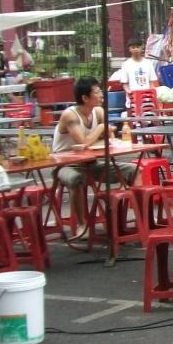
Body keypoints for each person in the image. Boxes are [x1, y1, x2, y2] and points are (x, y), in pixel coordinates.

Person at [52, 76, 137, 239]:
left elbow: (108, 137)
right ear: (85, 98)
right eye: (97, 92)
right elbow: (83, 142)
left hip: (91, 163)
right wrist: (101, 128)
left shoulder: (98, 112)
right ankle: (82, 224)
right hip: (67, 165)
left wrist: (105, 132)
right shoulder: (70, 115)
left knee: (134, 170)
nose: (101, 95)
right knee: (76, 179)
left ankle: (140, 218)